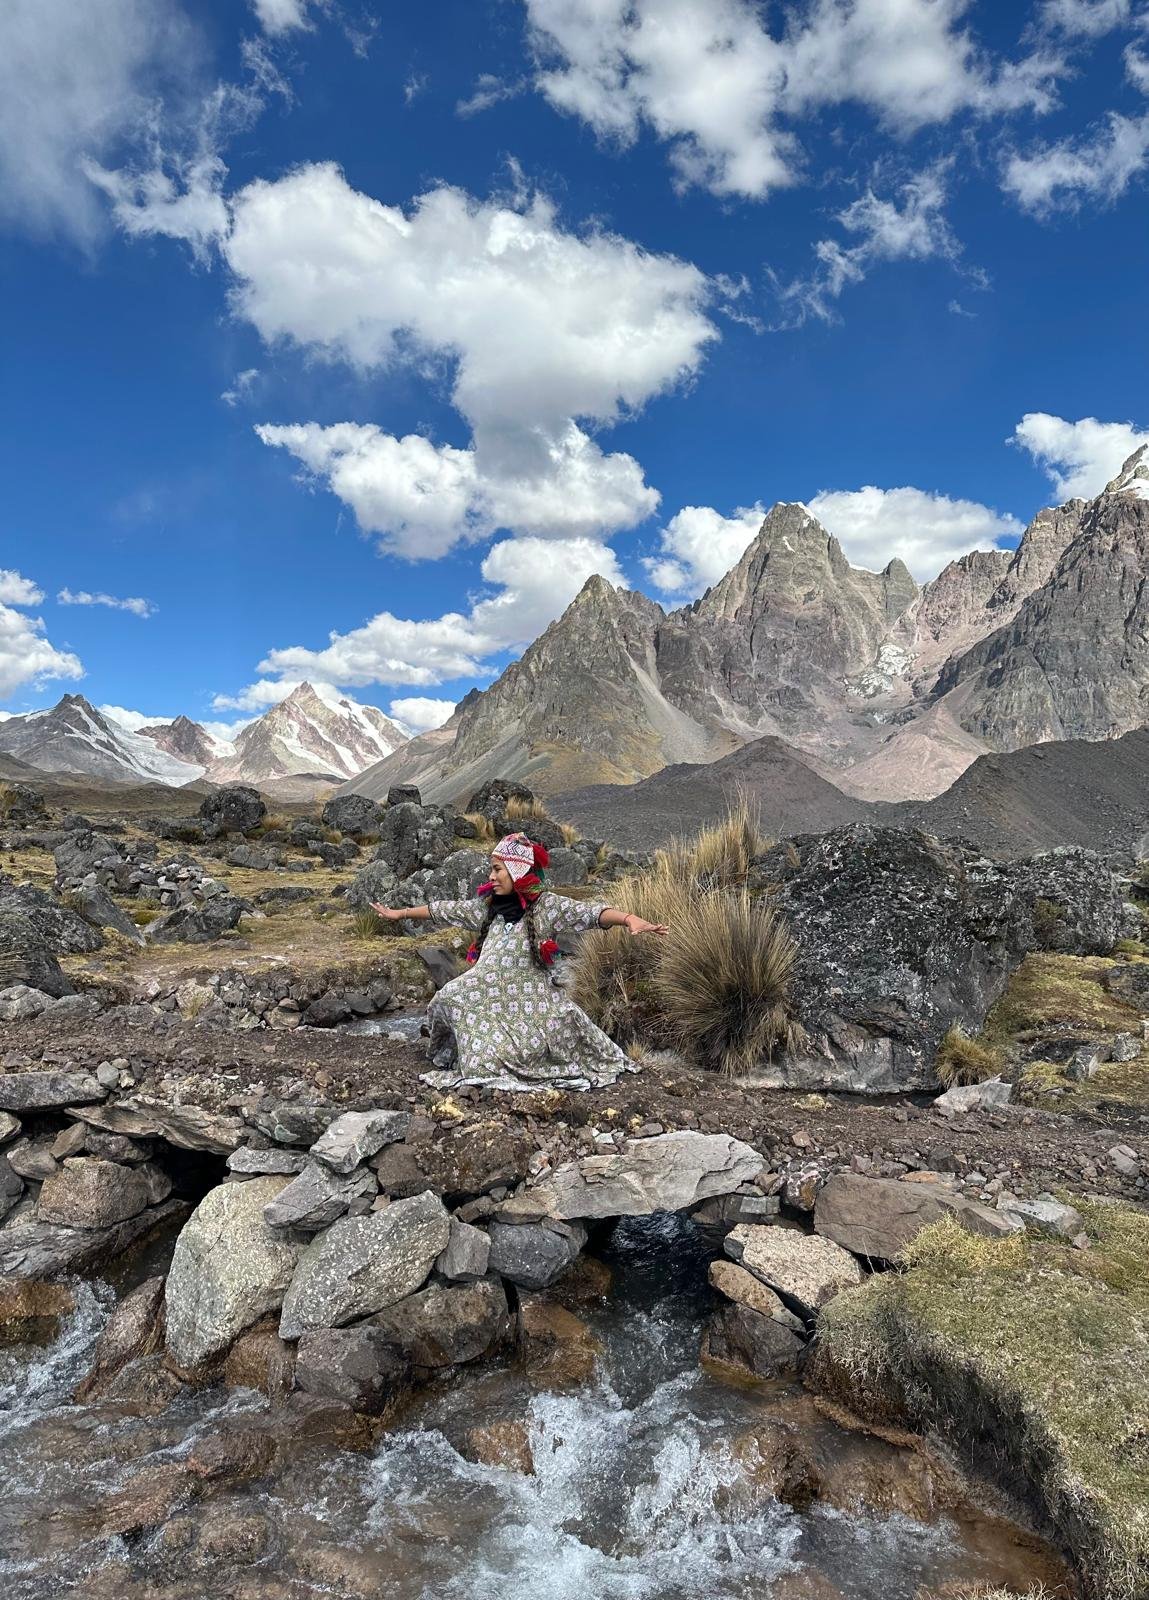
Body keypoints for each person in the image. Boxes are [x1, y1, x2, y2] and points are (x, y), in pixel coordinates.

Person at [371, 831, 668, 1091]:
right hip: (488, 1000)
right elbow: (445, 910)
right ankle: (452, 1052)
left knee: (484, 1063)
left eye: (497, 869)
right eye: (491, 869)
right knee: (449, 996)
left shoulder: (547, 907)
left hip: (531, 1005)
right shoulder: (488, 908)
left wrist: (628, 919)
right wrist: (401, 914)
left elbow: (591, 913)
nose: (491, 876)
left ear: (517, 870)